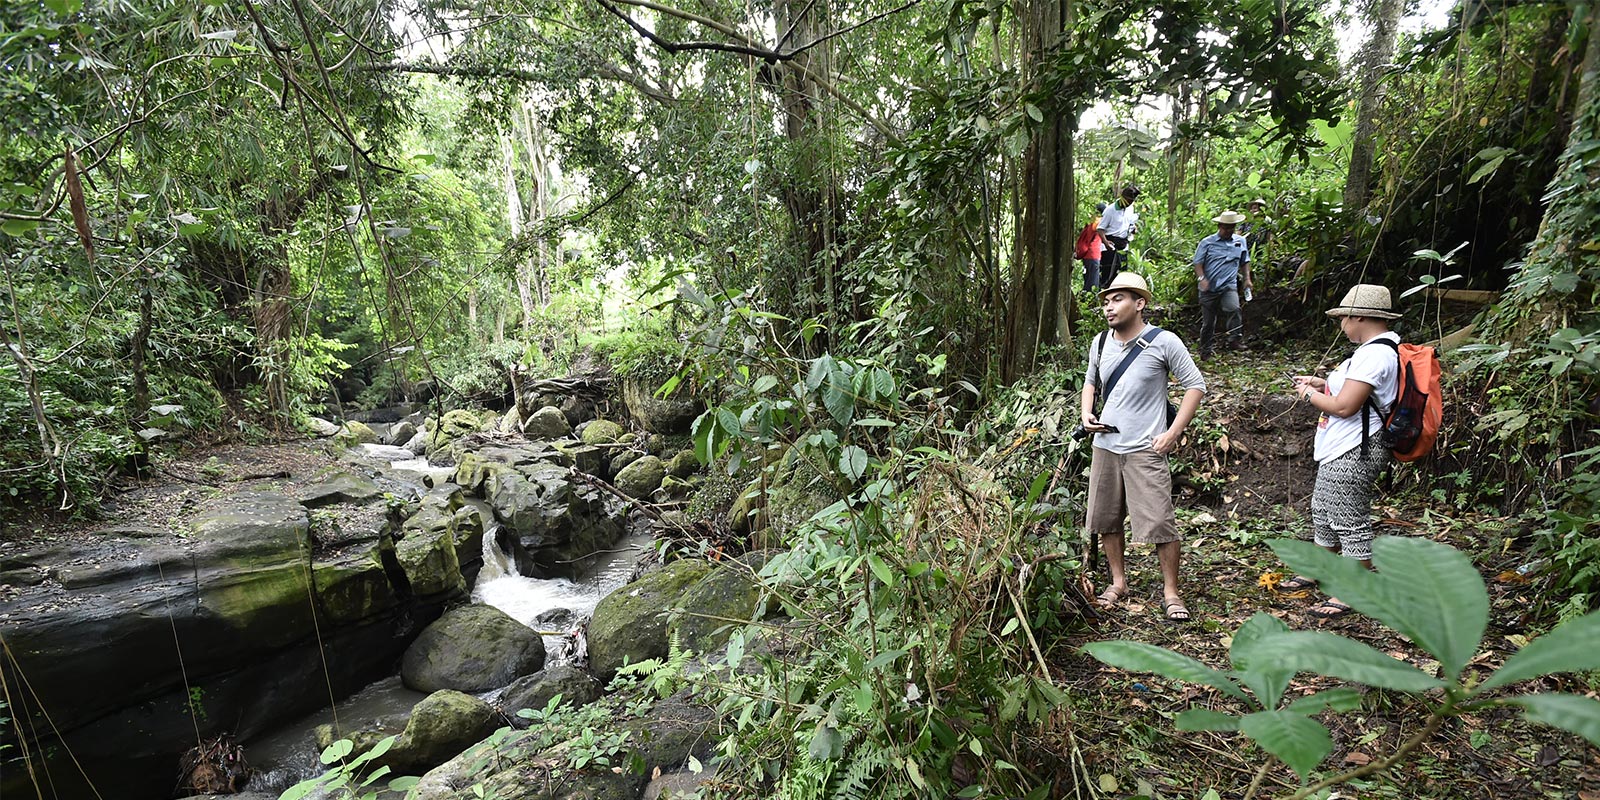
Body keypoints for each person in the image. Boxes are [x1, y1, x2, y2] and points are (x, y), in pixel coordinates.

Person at [1080, 272, 1207, 623]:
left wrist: (1173, 433)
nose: (1109, 306)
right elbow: (1090, 382)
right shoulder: (1101, 342)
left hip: (1145, 448)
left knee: (1160, 522)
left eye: (1117, 299)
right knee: (1107, 519)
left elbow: (1195, 385)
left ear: (1140, 304)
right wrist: (1087, 413)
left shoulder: (1163, 342)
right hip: (1106, 444)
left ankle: (1171, 592)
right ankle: (1118, 582)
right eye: (1106, 301)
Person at [1278, 284, 1403, 620]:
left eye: (1342, 318)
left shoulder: (1374, 354)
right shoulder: (1372, 350)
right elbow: (1355, 393)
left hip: (1356, 449)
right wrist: (1323, 384)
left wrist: (1307, 395)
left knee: (1349, 519)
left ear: (1358, 316)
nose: (1341, 325)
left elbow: (1345, 406)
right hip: (1343, 447)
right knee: (1323, 510)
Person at [1191, 209, 1253, 360]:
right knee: (1208, 322)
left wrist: (1247, 279)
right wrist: (1202, 279)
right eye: (1225, 227)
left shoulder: (1240, 241)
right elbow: (1198, 263)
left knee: (1234, 308)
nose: (1228, 230)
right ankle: (1205, 350)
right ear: (1219, 226)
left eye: (1231, 227)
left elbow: (1245, 261)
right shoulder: (1207, 242)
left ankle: (1234, 339)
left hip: (1228, 285)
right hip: (1209, 288)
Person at [1096, 185, 1140, 287]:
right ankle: (1105, 296)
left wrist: (1133, 229)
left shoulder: (1130, 209)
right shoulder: (1110, 210)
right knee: (1108, 274)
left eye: (1132, 201)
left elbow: (1130, 223)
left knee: (1121, 274)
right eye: (1128, 201)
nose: (1129, 203)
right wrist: (1106, 243)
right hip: (1110, 245)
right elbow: (1100, 229)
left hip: (1123, 245)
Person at [1075, 202, 1107, 290]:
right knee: (1093, 282)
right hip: (1093, 254)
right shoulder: (1098, 222)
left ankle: (1086, 298)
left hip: (1087, 254)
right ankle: (1091, 300)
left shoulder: (1090, 222)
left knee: (1088, 279)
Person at [1240, 198, 1274, 267]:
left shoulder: (1266, 221)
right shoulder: (1247, 220)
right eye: (1253, 208)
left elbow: (1269, 237)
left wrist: (1270, 250)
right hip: (1245, 248)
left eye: (1258, 208)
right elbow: (1238, 233)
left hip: (1259, 251)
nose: (1254, 210)